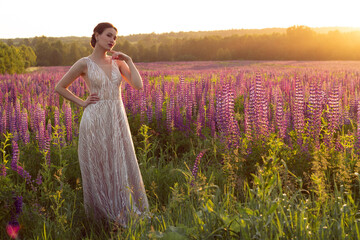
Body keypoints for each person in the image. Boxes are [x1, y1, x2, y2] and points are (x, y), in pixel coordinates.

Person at [55, 22, 149, 227]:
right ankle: (103, 216)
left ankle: (122, 209)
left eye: (115, 37)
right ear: (96, 36)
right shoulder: (84, 63)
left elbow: (138, 85)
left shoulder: (117, 63)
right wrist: (82, 102)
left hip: (116, 117)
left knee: (119, 161)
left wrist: (130, 60)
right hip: (94, 118)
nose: (112, 40)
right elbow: (60, 87)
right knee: (99, 165)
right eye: (108, 35)